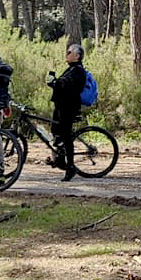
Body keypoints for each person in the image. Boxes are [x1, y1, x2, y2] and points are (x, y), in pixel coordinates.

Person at [48, 42, 88, 182]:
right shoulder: (71, 69)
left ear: (77, 56)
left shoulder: (78, 70)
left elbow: (67, 85)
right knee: (56, 132)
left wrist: (56, 82)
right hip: (61, 106)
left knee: (66, 136)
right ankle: (59, 158)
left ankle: (70, 166)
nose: (67, 54)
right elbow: (62, 84)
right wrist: (53, 83)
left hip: (68, 107)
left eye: (69, 52)